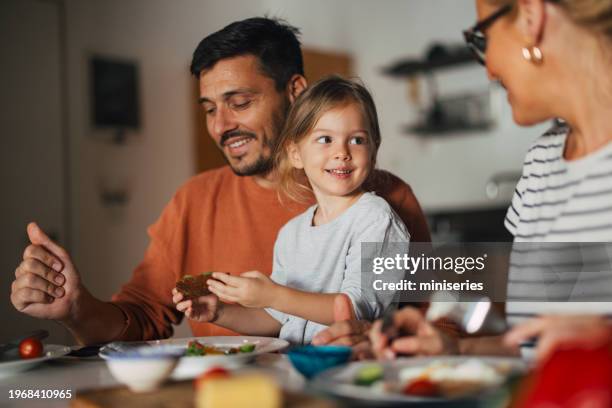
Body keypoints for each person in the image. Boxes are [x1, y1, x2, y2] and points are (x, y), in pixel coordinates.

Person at [9, 17, 430, 345]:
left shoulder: (388, 197)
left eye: (240, 102)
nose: (222, 126)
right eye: (209, 109)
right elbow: (140, 316)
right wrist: (76, 309)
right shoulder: (195, 201)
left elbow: (454, 312)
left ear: (295, 90)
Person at [322, 0, 612, 361]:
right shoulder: (543, 161)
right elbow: (532, 349)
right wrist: (452, 347)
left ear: (532, 17)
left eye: (483, 38)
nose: (489, 70)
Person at [173, 76, 410, 344]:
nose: (342, 152)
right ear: (295, 154)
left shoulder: (376, 219)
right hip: (297, 366)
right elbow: (278, 319)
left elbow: (358, 310)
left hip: (356, 368)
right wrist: (221, 313)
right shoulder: (291, 233)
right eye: (325, 139)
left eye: (357, 140)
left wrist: (273, 295)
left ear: (374, 149)